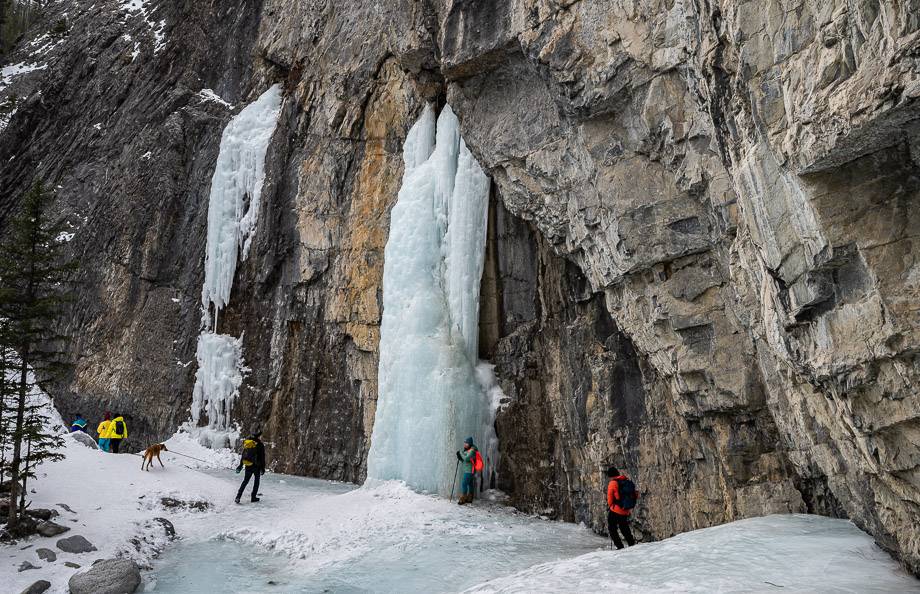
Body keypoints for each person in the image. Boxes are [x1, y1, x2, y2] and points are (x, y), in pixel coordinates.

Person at [606, 466, 638, 550]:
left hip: (615, 509)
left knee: (612, 527)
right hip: (625, 509)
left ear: (610, 475)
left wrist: (610, 506)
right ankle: (631, 544)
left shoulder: (613, 483)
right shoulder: (625, 480)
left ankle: (620, 547)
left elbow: (610, 498)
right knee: (624, 527)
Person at [235, 431, 266, 504]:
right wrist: (262, 468)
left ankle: (238, 497)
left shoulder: (248, 443)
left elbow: (244, 455)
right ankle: (253, 497)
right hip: (256, 466)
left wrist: (240, 466)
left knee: (245, 481)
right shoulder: (260, 445)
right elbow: (262, 457)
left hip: (248, 465)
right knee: (256, 482)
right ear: (258, 437)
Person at [455, 436, 479, 505]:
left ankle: (463, 498)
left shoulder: (472, 451)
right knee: (470, 484)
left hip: (469, 471)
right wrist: (460, 457)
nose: (465, 444)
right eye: (465, 443)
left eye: (467, 443)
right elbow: (464, 460)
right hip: (469, 470)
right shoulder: (468, 449)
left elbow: (466, 458)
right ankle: (470, 497)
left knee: (464, 483)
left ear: (470, 444)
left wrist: (460, 453)